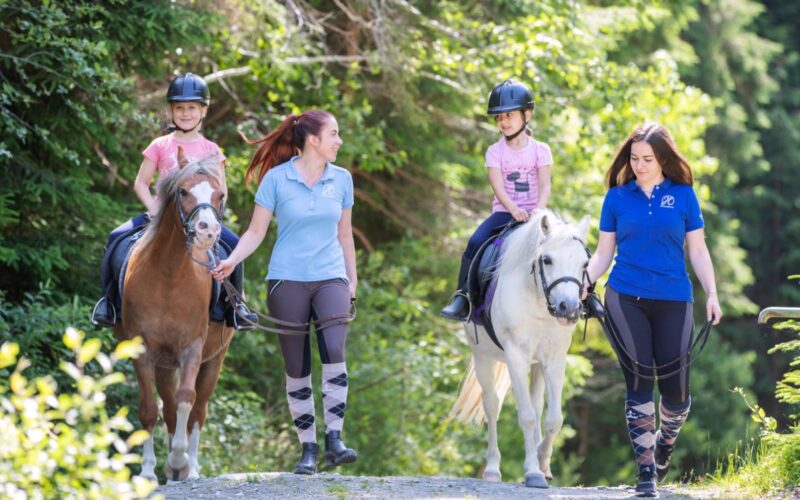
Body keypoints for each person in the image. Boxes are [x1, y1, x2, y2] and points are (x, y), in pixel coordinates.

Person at [210, 110, 358, 475]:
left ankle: (334, 441)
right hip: (286, 278)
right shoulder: (276, 179)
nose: (339, 141)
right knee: (297, 366)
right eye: (334, 134)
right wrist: (230, 262)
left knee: (334, 350)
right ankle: (308, 448)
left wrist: (351, 280)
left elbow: (345, 235)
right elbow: (256, 232)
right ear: (313, 140)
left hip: (330, 276)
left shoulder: (342, 179)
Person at [582, 122, 723, 497]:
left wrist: (711, 293)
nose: (640, 165)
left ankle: (664, 445)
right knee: (640, 378)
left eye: (648, 159)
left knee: (676, 394)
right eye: (634, 158)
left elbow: (697, 250)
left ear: (663, 159)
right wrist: (586, 278)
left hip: (675, 298)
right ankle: (646, 473)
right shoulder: (616, 198)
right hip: (625, 295)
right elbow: (603, 253)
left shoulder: (684, 196)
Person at [91, 72, 256, 330]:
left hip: (199, 219)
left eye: (192, 107)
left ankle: (235, 306)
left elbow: (221, 189)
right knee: (116, 237)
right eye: (179, 108)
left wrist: (210, 217)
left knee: (234, 246)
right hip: (161, 217)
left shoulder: (211, 150)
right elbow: (141, 183)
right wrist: (154, 209)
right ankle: (108, 303)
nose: (186, 113)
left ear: (203, 110)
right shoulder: (160, 145)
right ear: (171, 111)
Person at [440, 79, 552, 320]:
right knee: (475, 241)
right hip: (504, 213)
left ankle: (581, 297)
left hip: (536, 215)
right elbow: (497, 185)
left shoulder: (541, 150)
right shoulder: (494, 151)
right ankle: (464, 297)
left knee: (565, 243)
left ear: (527, 114)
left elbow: (545, 184)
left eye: (509, 115)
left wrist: (539, 211)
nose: (503, 122)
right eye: (499, 117)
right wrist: (513, 209)